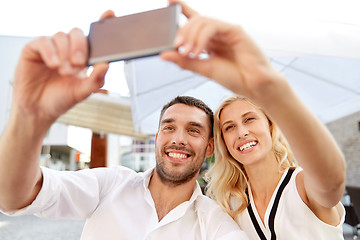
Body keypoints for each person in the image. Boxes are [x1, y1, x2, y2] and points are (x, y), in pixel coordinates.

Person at [0, 4, 248, 240]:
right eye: (169, 127)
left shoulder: (214, 222)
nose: (178, 139)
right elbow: (13, 197)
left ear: (209, 147)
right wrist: (28, 117)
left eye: (193, 130)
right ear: (158, 137)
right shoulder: (110, 185)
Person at [160, 0, 346, 239]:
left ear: (270, 126)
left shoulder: (300, 185)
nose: (242, 132)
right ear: (223, 143)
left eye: (249, 119)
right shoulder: (230, 206)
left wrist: (274, 91)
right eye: (229, 127)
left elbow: (331, 182)